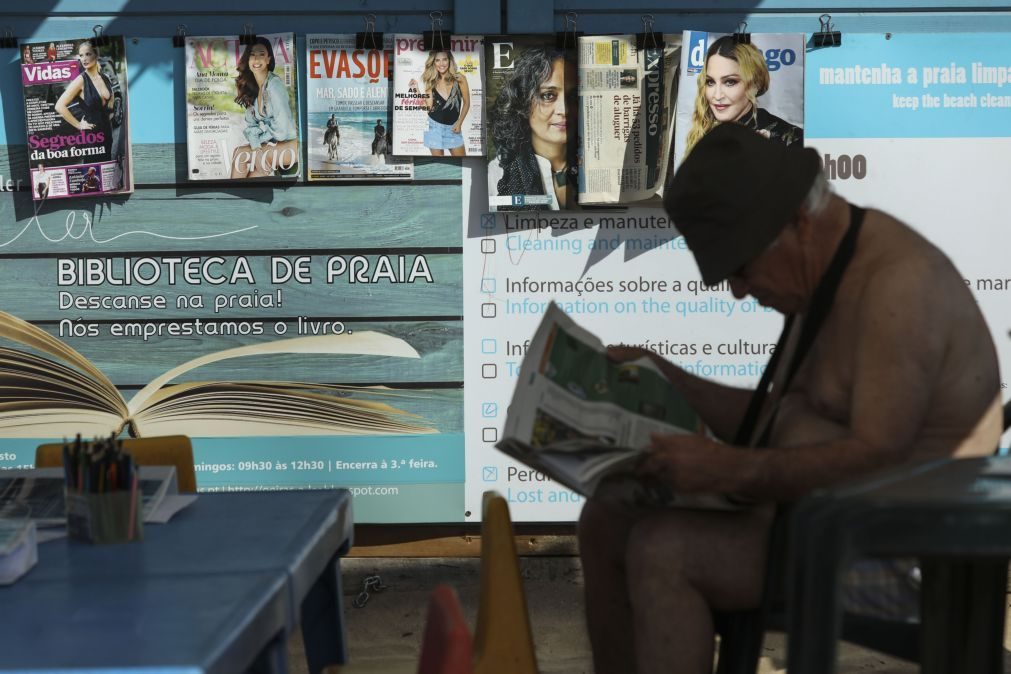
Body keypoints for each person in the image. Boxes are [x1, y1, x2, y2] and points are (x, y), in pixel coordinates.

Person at [578, 123, 1003, 674]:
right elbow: (777, 419)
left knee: (665, 552)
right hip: (821, 519)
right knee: (607, 515)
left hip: (899, 551)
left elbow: (874, 456)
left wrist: (726, 471)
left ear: (799, 223)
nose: (737, 289)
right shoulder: (825, 270)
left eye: (741, 267)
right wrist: (666, 376)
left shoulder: (897, 285)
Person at [684, 36, 802, 157]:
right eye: (710, 82)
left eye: (730, 82)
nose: (717, 95)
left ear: (755, 84)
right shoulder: (703, 133)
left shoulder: (792, 140)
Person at [488, 47, 571, 211]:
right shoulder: (497, 173)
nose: (565, 109)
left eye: (574, 96)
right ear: (523, 103)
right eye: (548, 95)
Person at [230, 36, 298, 179]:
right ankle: (237, 201)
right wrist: (256, 148)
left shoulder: (274, 84)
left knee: (240, 155)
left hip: (291, 144)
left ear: (268, 59)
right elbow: (250, 126)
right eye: (252, 55)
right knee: (244, 162)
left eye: (261, 54)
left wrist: (259, 144)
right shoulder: (254, 90)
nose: (256, 59)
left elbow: (282, 129)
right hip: (275, 145)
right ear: (248, 60)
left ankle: (234, 200)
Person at [54, 40, 115, 162]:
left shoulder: (104, 77)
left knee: (107, 164)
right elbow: (59, 106)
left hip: (107, 132)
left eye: (88, 54)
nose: (84, 59)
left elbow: (110, 100)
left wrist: (109, 115)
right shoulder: (80, 80)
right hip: (92, 136)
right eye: (81, 55)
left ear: (96, 55)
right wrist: (78, 124)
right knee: (93, 168)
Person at [409, 50, 470, 157]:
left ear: (449, 60)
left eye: (444, 59)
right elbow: (427, 108)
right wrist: (415, 90)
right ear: (433, 63)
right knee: (438, 166)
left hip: (453, 128)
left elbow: (467, 102)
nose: (441, 64)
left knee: (461, 164)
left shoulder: (460, 79)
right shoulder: (430, 81)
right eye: (437, 60)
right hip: (434, 128)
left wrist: (459, 123)